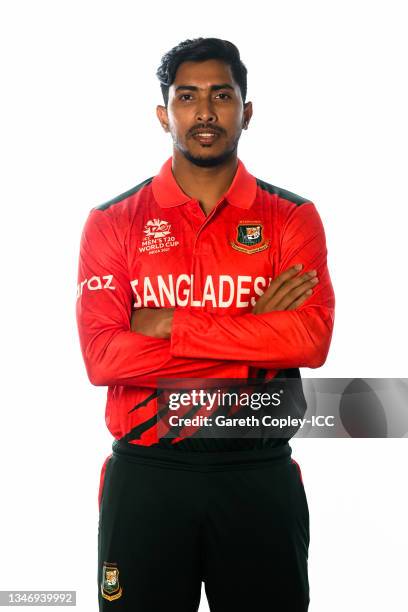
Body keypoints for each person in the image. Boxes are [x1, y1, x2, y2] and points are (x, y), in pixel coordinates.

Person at [76, 37, 335, 612]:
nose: (206, 110)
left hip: (257, 467)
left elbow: (310, 340)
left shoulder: (291, 217)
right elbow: (103, 358)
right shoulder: (113, 221)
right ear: (164, 114)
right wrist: (253, 333)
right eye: (187, 96)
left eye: (222, 94)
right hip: (147, 471)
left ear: (247, 111)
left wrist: (171, 327)